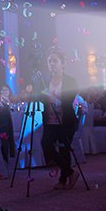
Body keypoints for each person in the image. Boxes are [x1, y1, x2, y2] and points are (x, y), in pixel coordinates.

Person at [36, 49, 82, 190]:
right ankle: (70, 172)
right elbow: (40, 98)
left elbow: (69, 100)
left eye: (55, 61)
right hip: (50, 121)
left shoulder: (70, 81)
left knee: (64, 149)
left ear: (63, 63)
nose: (51, 64)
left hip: (66, 121)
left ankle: (63, 180)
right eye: (49, 61)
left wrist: (52, 97)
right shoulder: (45, 81)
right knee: (46, 145)